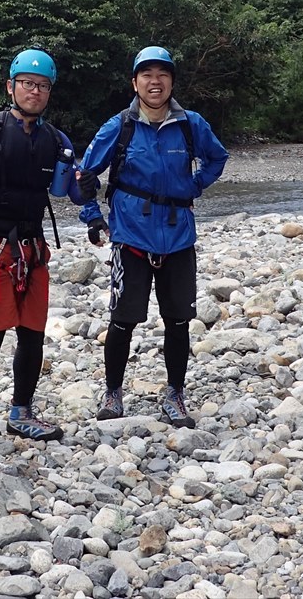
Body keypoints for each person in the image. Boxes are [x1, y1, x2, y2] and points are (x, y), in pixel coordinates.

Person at [76, 46, 229, 429]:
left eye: (162, 74)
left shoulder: (190, 123)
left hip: (179, 237)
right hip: (131, 238)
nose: (154, 81)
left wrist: (195, 185)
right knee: (123, 321)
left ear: (172, 82)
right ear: (135, 82)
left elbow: (217, 157)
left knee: (178, 321)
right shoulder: (119, 126)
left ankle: (175, 393)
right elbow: (83, 176)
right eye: (147, 74)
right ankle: (113, 392)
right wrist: (94, 218)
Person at [0, 48, 89, 458]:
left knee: (32, 336)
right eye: (27, 83)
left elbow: (72, 192)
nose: (34, 91)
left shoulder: (55, 140)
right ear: (11, 86)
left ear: (50, 92)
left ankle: (21, 411)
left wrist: (90, 188)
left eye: (42, 85)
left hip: (32, 250)